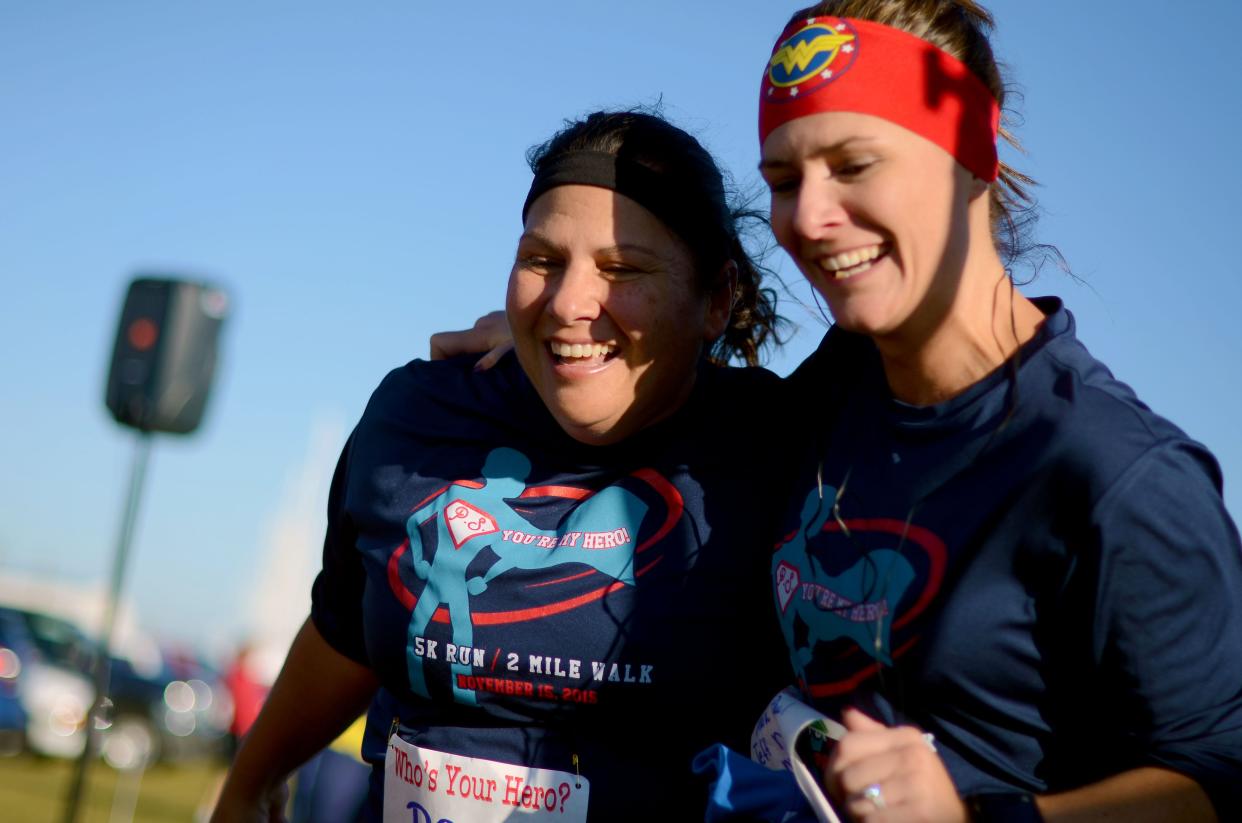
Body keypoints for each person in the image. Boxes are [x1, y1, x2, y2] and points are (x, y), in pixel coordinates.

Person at [210, 110, 798, 823]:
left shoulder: (775, 445)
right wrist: (254, 778)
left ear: (717, 299)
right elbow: (346, 622)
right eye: (543, 261)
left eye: (622, 268)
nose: (569, 301)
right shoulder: (418, 416)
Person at [752, 1, 1242, 820]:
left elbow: (1219, 775)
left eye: (855, 164)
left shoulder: (1116, 474)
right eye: (782, 181)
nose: (807, 216)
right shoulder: (841, 381)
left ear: (970, 155)